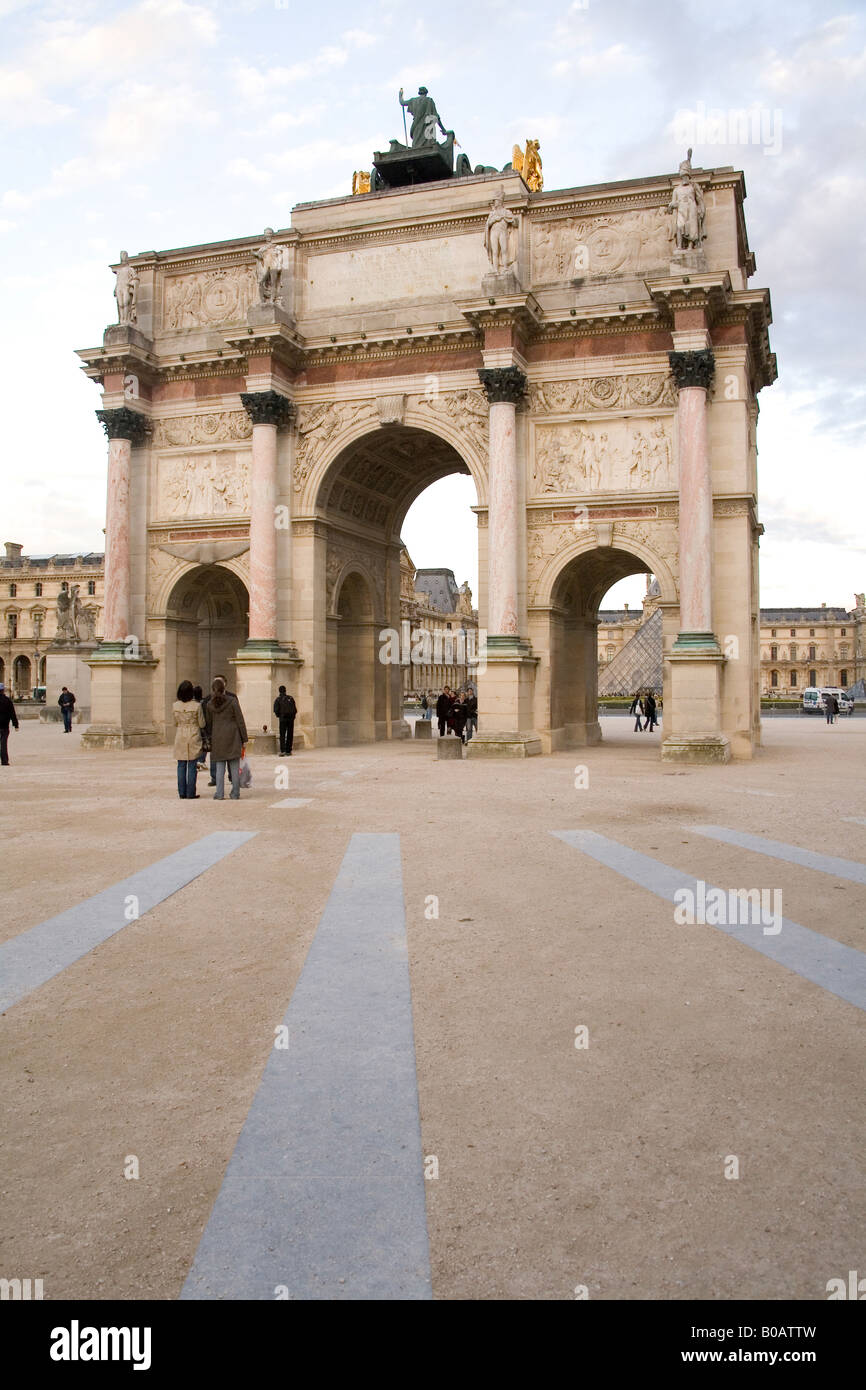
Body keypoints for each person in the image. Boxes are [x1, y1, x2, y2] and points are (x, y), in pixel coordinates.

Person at [206, 677, 248, 800]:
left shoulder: (209, 704)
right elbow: (240, 720)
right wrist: (244, 738)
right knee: (234, 767)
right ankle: (235, 793)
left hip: (217, 737)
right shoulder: (233, 701)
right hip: (233, 736)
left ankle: (219, 793)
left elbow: (209, 723)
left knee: (219, 768)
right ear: (224, 689)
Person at [172, 680, 205, 799]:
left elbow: (174, 722)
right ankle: (191, 792)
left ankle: (182, 792)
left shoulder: (175, 705)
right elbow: (201, 723)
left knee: (181, 765)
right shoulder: (196, 705)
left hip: (180, 734)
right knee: (192, 765)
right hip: (193, 734)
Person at [201, 673, 235, 786]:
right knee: (214, 757)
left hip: (226, 732)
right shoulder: (207, 700)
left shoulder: (232, 697)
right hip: (214, 732)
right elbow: (206, 719)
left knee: (230, 757)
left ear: (225, 684)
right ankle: (214, 778)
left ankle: (232, 777)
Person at [273, 684, 297, 756]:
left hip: (282, 719)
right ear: (285, 691)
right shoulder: (291, 698)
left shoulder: (278, 699)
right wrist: (292, 717)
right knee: (290, 734)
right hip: (290, 719)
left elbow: (276, 710)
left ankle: (283, 750)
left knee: (282, 735)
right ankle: (288, 750)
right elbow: (295, 710)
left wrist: (280, 716)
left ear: (279, 691)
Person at [0, 682, 19, 766]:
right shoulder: (7, 700)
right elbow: (12, 713)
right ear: (3, 690)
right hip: (4, 725)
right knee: (3, 743)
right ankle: (4, 761)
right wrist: (16, 725)